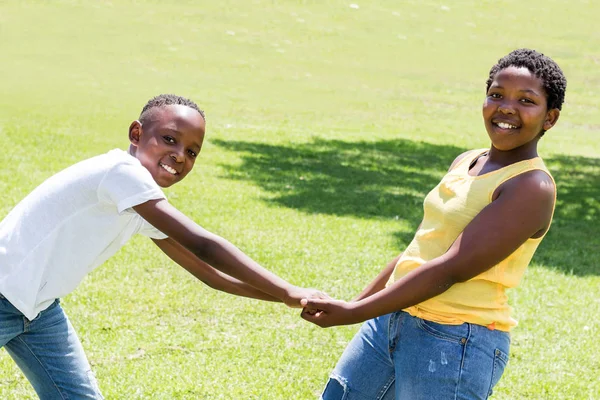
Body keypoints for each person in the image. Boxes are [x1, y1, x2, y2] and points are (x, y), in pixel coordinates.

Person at [0, 94, 325, 399]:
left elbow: (210, 274)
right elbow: (203, 246)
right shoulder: (122, 174)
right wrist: (287, 289)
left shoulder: (138, 199)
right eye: (169, 139)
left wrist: (292, 299)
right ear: (136, 133)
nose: (180, 156)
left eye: (192, 151)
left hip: (37, 310)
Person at [301, 49, 567, 399]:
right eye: (497, 94)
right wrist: (357, 303)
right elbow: (420, 249)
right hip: (393, 319)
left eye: (526, 100)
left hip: (455, 339)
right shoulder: (467, 160)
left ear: (550, 118)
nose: (505, 107)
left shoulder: (531, 186)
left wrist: (354, 312)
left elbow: (449, 269)